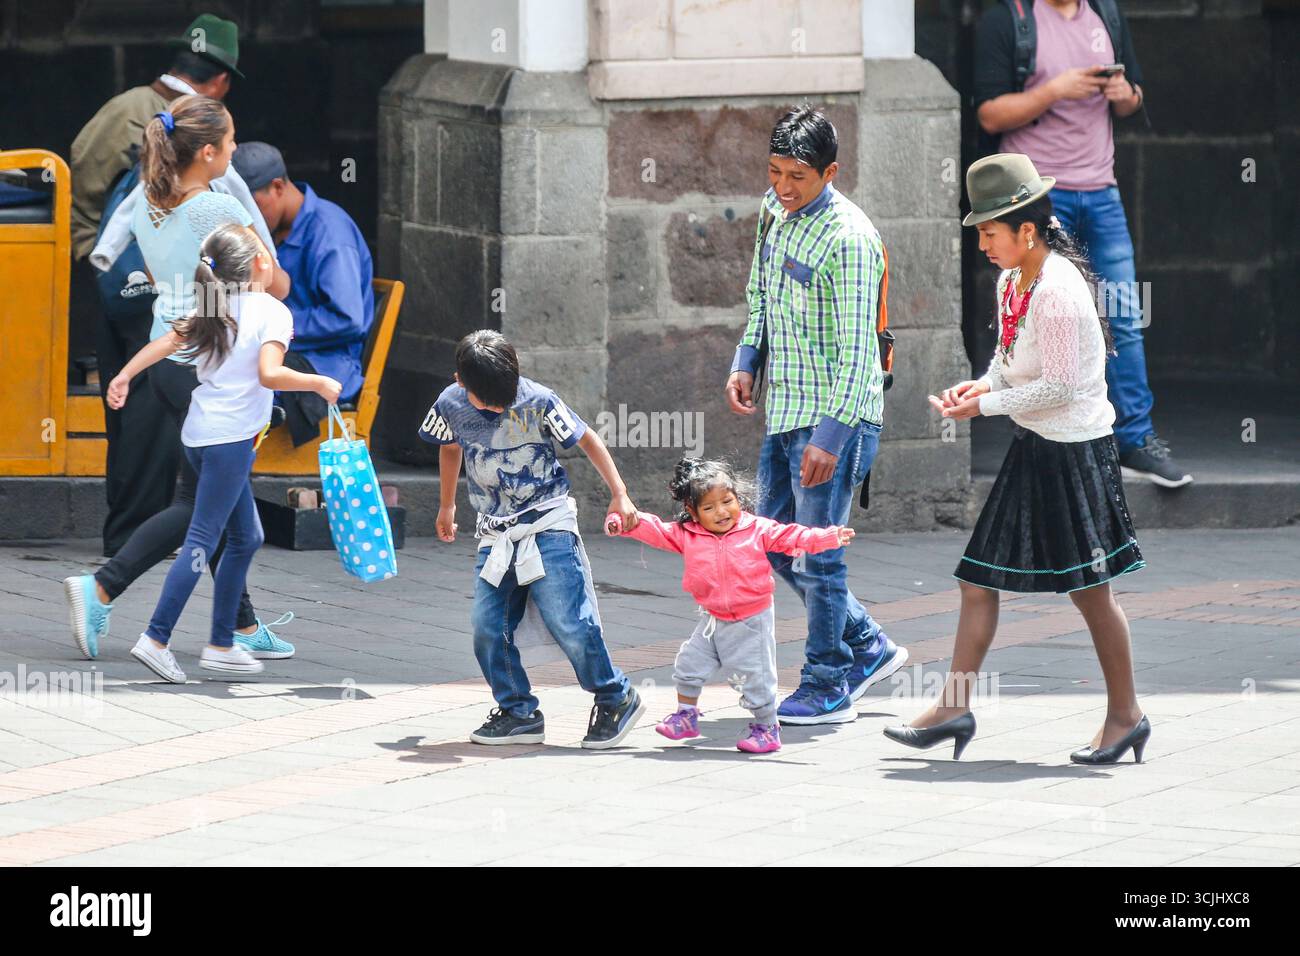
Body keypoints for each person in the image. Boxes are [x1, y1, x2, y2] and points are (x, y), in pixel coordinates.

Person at [884, 154, 1149, 765]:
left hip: (1077, 453)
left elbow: (1059, 386)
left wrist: (986, 407)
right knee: (976, 580)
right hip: (1036, 446)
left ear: (1025, 230)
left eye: (988, 231)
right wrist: (977, 388)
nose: (981, 243)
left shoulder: (1057, 290)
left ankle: (1126, 716)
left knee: (1091, 594)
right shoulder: (1012, 283)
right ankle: (953, 707)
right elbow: (1008, 364)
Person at [63, 96, 296, 663]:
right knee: (201, 507)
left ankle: (238, 625)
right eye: (232, 142)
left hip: (169, 356)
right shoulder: (213, 210)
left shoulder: (145, 200)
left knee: (223, 506)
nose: (237, 152)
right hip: (206, 366)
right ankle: (102, 588)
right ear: (210, 152)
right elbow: (273, 284)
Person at [725, 105, 907, 726]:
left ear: (830, 172)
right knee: (774, 546)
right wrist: (747, 357)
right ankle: (870, 645)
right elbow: (760, 294)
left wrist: (830, 438)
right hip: (784, 413)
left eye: (797, 176)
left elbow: (860, 351)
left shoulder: (850, 239)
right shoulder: (772, 212)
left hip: (838, 418)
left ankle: (828, 680)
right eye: (775, 172)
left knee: (819, 555)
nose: (782, 187)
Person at [69, 13, 274, 555]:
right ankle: (137, 544)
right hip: (167, 294)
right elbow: (265, 272)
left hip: (125, 281)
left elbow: (83, 174)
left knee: (132, 406)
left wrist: (97, 254)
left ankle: (151, 540)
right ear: (222, 81)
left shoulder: (134, 111)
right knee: (161, 424)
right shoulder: (204, 170)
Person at [104, 223, 341, 682]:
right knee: (200, 543)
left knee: (246, 537)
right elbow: (270, 374)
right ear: (259, 264)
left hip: (199, 437)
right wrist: (317, 382)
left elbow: (167, 343)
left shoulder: (214, 304)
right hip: (229, 443)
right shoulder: (272, 312)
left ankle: (221, 644)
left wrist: (124, 375)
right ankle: (156, 638)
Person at [974, 0, 1191, 488]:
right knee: (1029, 315)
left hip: (1102, 191)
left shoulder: (1105, 14)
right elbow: (989, 114)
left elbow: (1134, 100)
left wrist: (1122, 92)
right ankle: (1039, 436)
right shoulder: (1010, 19)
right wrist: (1055, 89)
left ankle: (1136, 438)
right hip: (1036, 201)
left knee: (1124, 316)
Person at [423, 330, 645, 749]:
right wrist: (447, 506)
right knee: (486, 626)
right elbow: (449, 447)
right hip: (496, 531)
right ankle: (518, 711)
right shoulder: (449, 402)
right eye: (484, 401)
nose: (494, 408)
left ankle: (616, 697)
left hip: (548, 523)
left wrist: (620, 493)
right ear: (459, 381)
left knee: (570, 621)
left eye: (501, 401)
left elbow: (586, 438)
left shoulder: (539, 399)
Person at [611, 458, 856, 754]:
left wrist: (828, 537)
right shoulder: (688, 534)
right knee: (688, 665)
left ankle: (767, 728)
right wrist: (626, 521)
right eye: (709, 508)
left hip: (751, 620)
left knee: (756, 678)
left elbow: (793, 535)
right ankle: (686, 717)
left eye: (727, 501)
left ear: (738, 497)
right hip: (711, 618)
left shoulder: (757, 528)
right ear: (693, 512)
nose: (721, 512)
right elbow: (657, 530)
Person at [232, 141, 375, 446]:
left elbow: (346, 319)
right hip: (283, 350)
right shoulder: (274, 229)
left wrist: (271, 329)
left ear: (277, 187)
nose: (249, 220)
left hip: (327, 362)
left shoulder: (330, 233)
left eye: (252, 207)